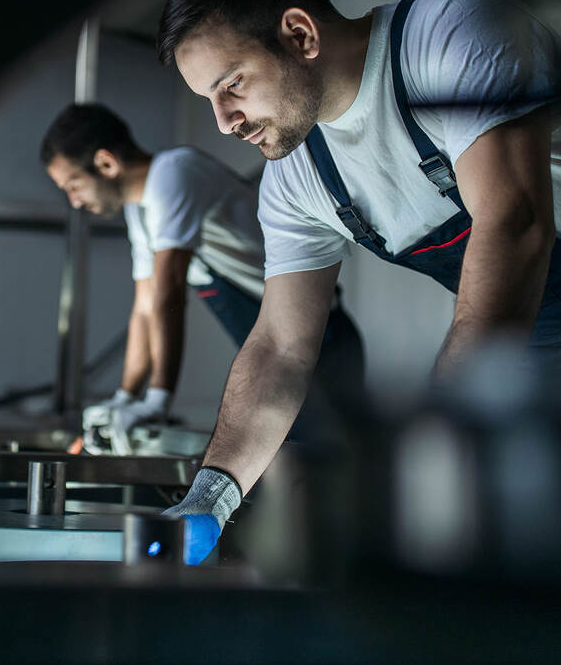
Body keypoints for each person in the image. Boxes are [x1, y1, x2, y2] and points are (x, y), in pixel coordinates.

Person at [156, 0, 561, 563]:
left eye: (232, 85)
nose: (225, 120)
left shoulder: (448, 33)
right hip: (547, 332)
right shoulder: (297, 178)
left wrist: (432, 448)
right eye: (210, 99)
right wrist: (212, 495)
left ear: (301, 34)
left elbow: (515, 224)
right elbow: (282, 346)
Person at [40, 103, 363, 455]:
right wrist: (126, 397)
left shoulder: (174, 174)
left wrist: (158, 400)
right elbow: (145, 308)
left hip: (321, 341)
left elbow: (169, 292)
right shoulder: (139, 209)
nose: (74, 202)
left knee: (321, 463)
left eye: (74, 186)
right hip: (278, 348)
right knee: (288, 462)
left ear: (105, 163)